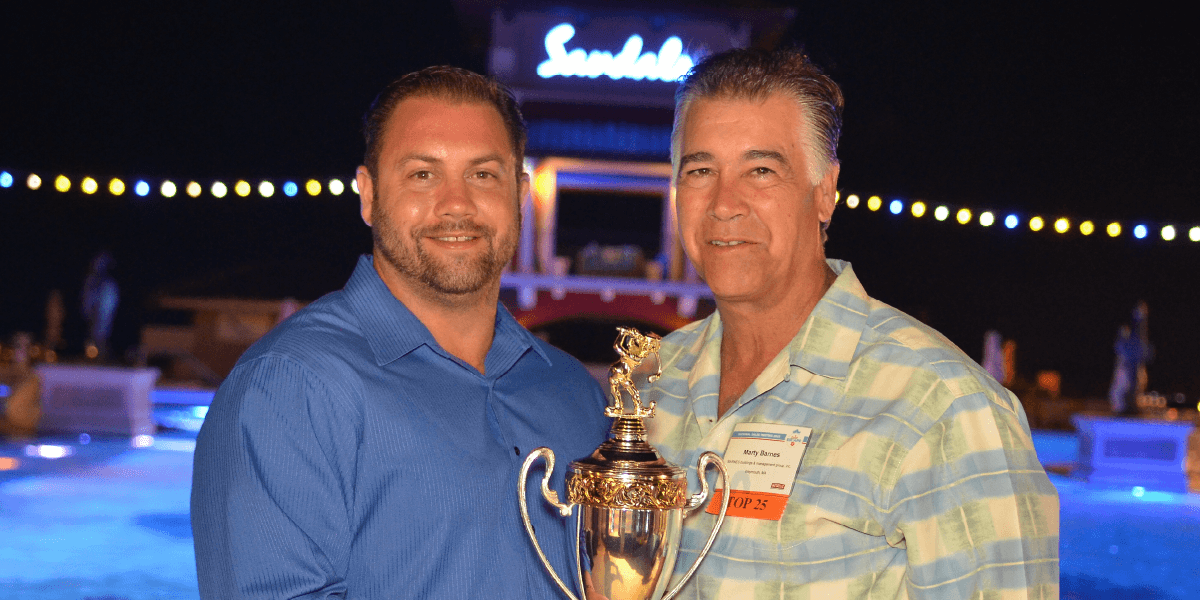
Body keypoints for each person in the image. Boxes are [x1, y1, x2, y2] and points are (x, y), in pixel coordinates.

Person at [643, 49, 1059, 598]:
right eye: (700, 171)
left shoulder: (943, 407)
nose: (724, 203)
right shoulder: (652, 382)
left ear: (824, 192)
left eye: (761, 170)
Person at [191, 66, 610, 599]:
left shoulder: (574, 394)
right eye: (422, 174)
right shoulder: (290, 387)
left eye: (483, 175)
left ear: (519, 195)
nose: (456, 204)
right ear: (368, 195)